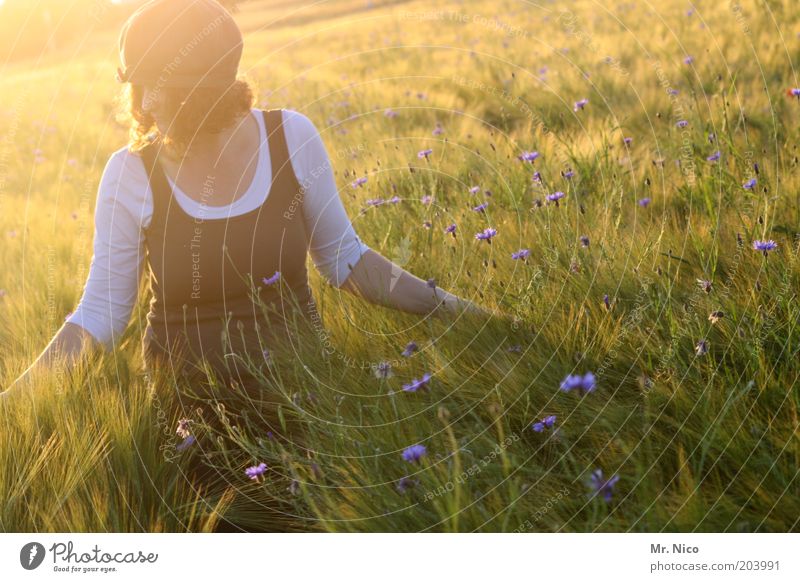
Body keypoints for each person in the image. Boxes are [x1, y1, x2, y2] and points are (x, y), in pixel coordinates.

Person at [3, 0, 490, 401]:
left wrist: (465, 314)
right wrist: (11, 403)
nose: (145, 104)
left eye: (160, 87)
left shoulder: (289, 138)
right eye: (139, 87)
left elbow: (348, 262)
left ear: (209, 91)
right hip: (191, 416)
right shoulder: (130, 173)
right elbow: (100, 316)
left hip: (308, 394)